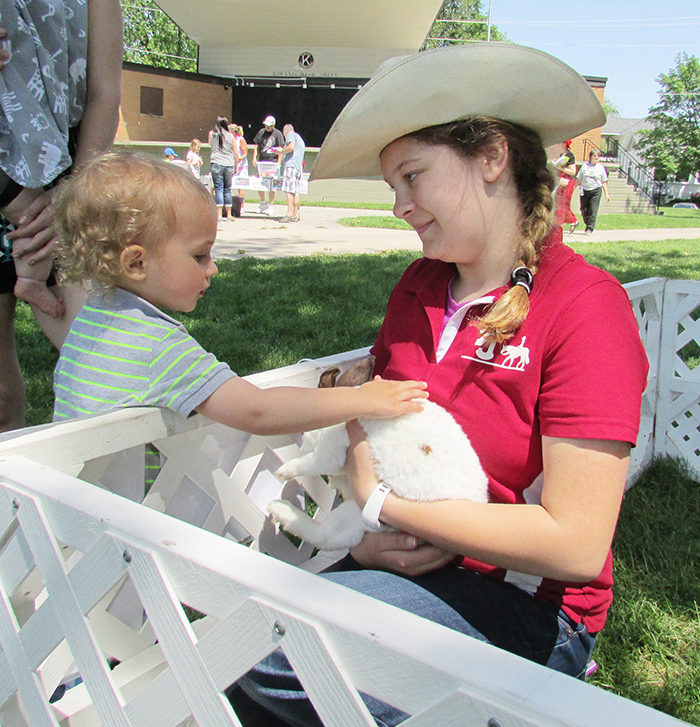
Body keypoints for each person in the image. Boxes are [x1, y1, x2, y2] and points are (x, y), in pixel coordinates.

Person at [229, 43, 649, 726]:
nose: (400, 206)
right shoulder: (419, 286)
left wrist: (384, 504)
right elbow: (377, 410)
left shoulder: (585, 307)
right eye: (393, 185)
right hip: (395, 567)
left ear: (490, 156)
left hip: (531, 608)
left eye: (413, 177)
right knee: (239, 642)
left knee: (272, 661)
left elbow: (574, 543)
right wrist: (369, 534)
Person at [51, 151, 428, 442]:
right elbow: (257, 411)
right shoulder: (154, 346)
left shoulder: (92, 320)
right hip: (120, 527)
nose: (212, 268)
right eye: (199, 255)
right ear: (136, 263)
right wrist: (366, 400)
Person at [0, 0, 123, 433]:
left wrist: (71, 197)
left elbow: (105, 92)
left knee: (111, 371)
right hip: (13, 178)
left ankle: (134, 475)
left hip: (66, 170)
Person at [252, 115, 284, 215]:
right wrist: (254, 158)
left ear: (273, 125)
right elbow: (256, 146)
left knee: (271, 185)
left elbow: (281, 149)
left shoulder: (278, 134)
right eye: (266, 125)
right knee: (259, 183)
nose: (267, 127)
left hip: (272, 162)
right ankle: (263, 203)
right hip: (262, 161)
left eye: (269, 126)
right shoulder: (261, 132)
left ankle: (271, 205)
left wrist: (279, 162)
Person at [208, 116, 236, 222]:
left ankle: (219, 215)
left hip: (216, 162)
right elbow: (235, 151)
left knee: (218, 188)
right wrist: (236, 164)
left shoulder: (212, 134)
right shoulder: (231, 136)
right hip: (229, 163)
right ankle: (229, 214)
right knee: (227, 189)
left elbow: (211, 146)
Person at [277, 124, 306, 223]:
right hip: (298, 168)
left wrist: (281, 151)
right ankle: (295, 215)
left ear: (285, 132)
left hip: (291, 167)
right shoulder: (300, 139)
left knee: (288, 191)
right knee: (295, 192)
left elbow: (291, 147)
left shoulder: (291, 135)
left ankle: (288, 214)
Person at [576, 150, 610, 235]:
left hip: (596, 190)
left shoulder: (601, 168)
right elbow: (579, 179)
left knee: (593, 209)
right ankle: (587, 222)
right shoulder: (584, 166)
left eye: (598, 156)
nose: (596, 157)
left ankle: (590, 228)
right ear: (590, 157)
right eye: (595, 156)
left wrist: (607, 194)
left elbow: (604, 182)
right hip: (584, 190)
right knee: (584, 210)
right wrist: (573, 188)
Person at [550, 140, 579, 233]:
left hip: (567, 182)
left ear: (564, 144)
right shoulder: (560, 154)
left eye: (561, 142)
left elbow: (573, 171)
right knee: (559, 202)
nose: (558, 143)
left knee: (562, 203)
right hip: (559, 180)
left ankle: (559, 225)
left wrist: (561, 168)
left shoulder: (569, 155)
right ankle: (573, 220)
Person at [231, 125, 249, 215]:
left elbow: (245, 152)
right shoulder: (229, 140)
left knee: (241, 185)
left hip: (241, 166)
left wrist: (239, 158)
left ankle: (241, 206)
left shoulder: (240, 139)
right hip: (232, 165)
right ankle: (231, 205)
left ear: (233, 132)